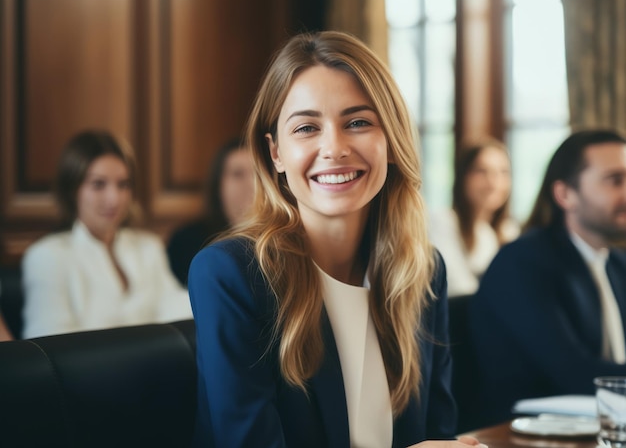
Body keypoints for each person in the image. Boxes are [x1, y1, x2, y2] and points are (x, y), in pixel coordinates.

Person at [188, 31, 485, 448]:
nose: (334, 148)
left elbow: (437, 435)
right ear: (275, 154)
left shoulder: (423, 270)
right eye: (307, 128)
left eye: (358, 122)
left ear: (392, 141)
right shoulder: (230, 274)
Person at [468, 129, 626, 427]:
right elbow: (573, 372)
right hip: (525, 438)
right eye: (615, 180)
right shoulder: (521, 263)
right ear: (565, 194)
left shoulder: (618, 263)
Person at [22, 130, 193, 339]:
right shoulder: (47, 256)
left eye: (123, 184)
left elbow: (179, 310)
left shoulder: (149, 246)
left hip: (158, 368)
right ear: (72, 189)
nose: (114, 199)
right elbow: (47, 343)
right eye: (98, 184)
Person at [428, 139, 519, 296]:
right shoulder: (443, 222)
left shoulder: (509, 230)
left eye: (503, 172)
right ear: (463, 176)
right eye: (482, 171)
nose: (493, 183)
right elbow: (457, 288)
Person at [166, 138, 254, 285]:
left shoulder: (279, 242)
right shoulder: (186, 241)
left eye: (258, 174)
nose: (252, 184)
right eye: (238, 174)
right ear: (218, 184)